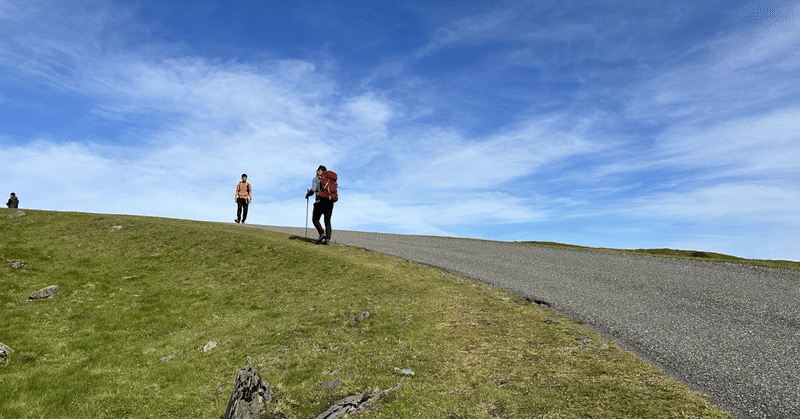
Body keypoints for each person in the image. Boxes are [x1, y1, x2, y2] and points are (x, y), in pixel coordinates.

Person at [305, 165, 335, 245]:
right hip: (330, 202)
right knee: (327, 221)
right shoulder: (330, 180)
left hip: (320, 202)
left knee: (315, 219)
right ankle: (327, 240)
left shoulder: (316, 179)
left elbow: (313, 190)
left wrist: (308, 194)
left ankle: (322, 233)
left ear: (319, 171)